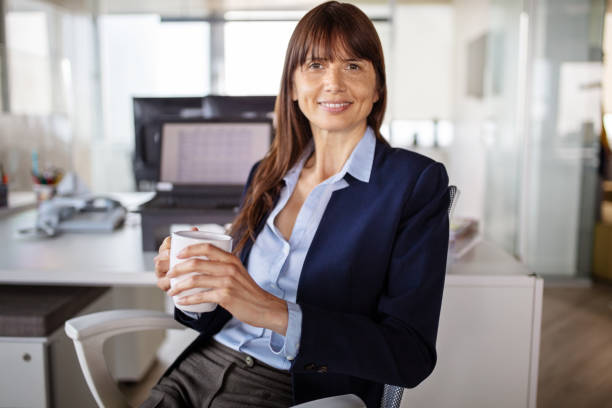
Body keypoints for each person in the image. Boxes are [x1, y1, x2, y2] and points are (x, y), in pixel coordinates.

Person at [145, 1, 450, 407]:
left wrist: (274, 312)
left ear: (377, 89)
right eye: (316, 66)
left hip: (291, 389)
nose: (334, 84)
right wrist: (194, 289)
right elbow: (219, 315)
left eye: (354, 66)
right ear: (292, 86)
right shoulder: (267, 173)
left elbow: (409, 354)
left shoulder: (414, 183)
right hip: (197, 370)